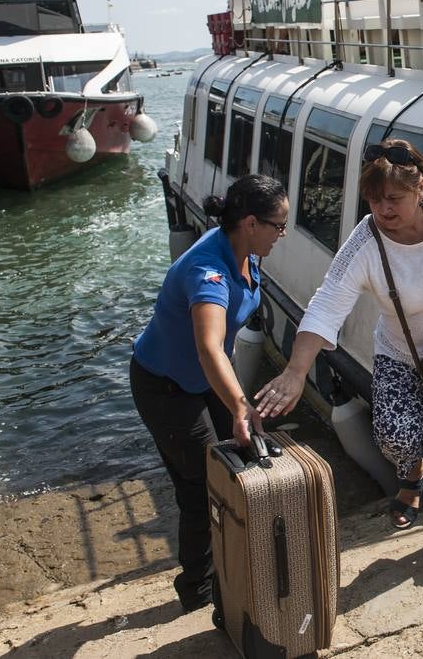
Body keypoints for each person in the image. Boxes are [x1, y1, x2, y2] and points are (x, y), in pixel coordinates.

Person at [263, 140, 423, 545]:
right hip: (403, 355)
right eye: (374, 200)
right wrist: (296, 371)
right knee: (393, 434)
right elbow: (327, 303)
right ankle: (415, 472)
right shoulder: (366, 242)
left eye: (394, 199)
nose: (383, 210)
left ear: (421, 189)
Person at [130, 174, 288, 612]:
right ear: (251, 223)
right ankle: (198, 591)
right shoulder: (208, 270)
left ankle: (236, 566)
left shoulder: (247, 251)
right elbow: (208, 346)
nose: (283, 235)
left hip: (203, 380)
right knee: (201, 486)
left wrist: (236, 399)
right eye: (279, 226)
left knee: (242, 460)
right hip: (165, 387)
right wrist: (239, 403)